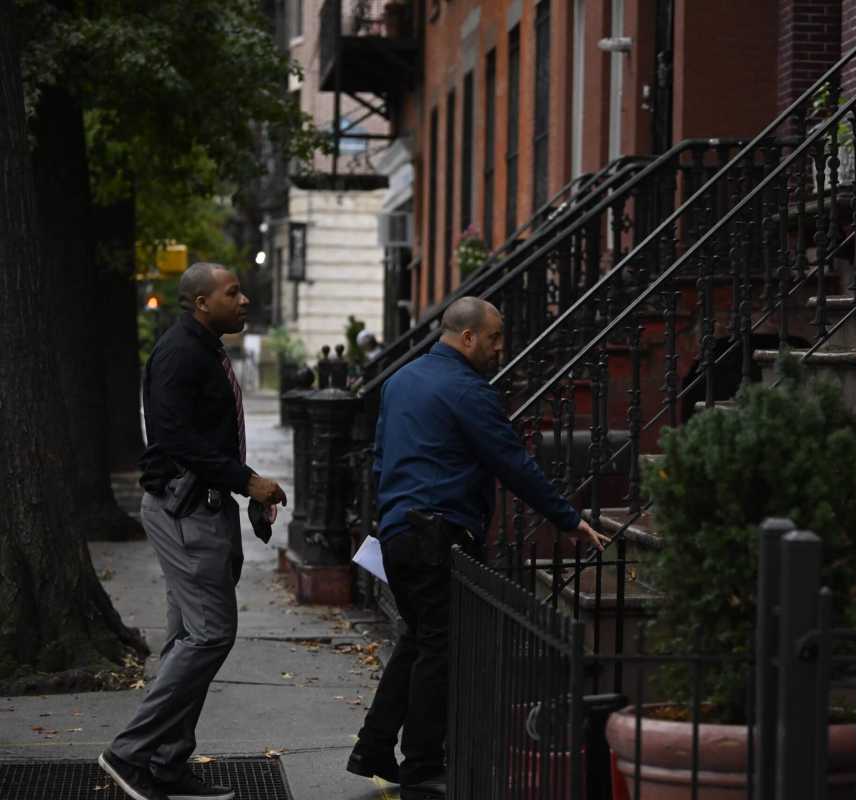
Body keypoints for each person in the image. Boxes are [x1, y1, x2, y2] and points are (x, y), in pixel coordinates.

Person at [347, 297, 607, 796]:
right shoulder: (468, 391)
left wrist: (391, 511)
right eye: (493, 339)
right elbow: (513, 463)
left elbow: (380, 460)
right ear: (467, 337)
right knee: (439, 648)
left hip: (399, 532)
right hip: (438, 534)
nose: (498, 349)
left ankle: (373, 746)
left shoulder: (400, 382)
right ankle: (423, 765)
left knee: (420, 639)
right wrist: (569, 520)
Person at [99, 263, 287, 800]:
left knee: (189, 638)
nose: (245, 300)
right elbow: (176, 439)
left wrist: (242, 492)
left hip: (204, 509)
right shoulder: (180, 353)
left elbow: (207, 437)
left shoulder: (203, 348)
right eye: (233, 293)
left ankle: (166, 764)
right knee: (209, 635)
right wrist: (247, 480)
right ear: (202, 302)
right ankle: (131, 753)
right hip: (186, 513)